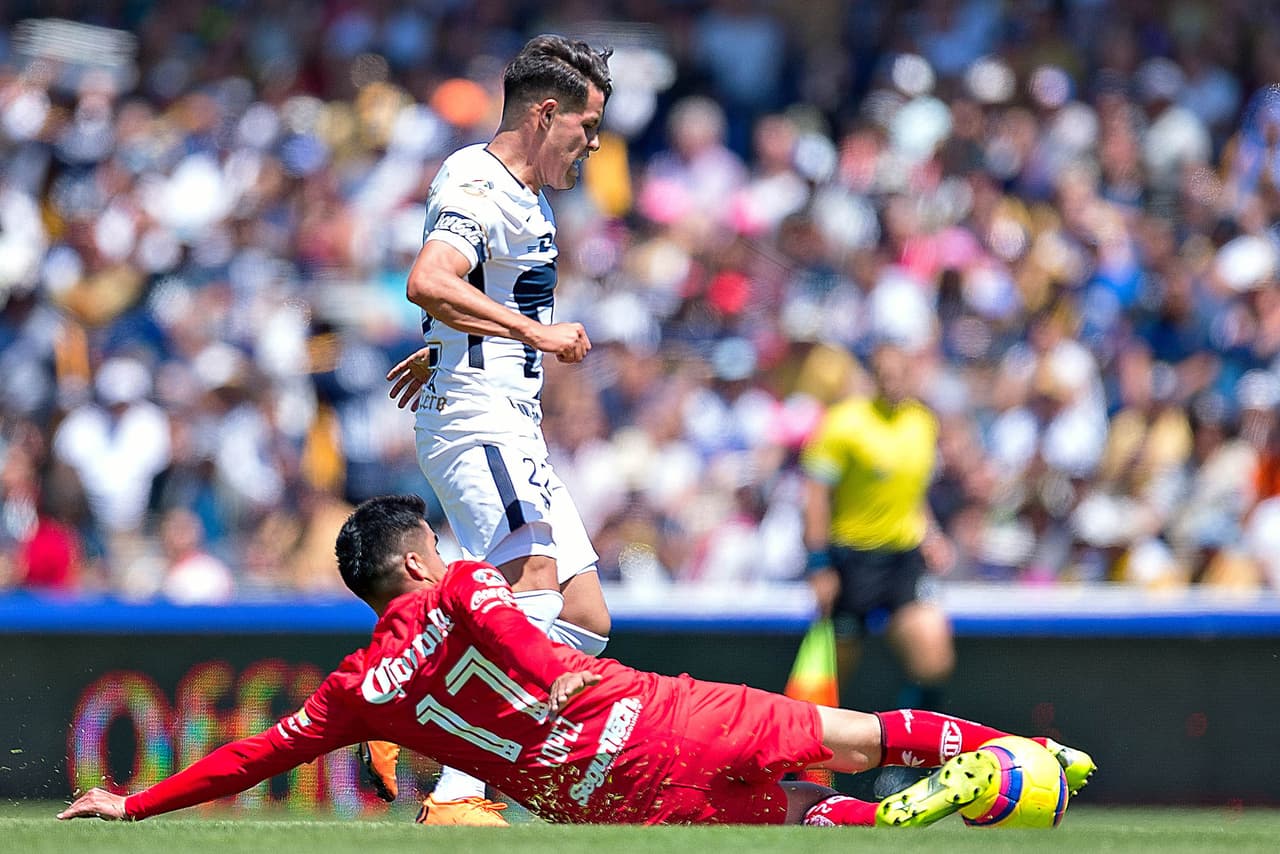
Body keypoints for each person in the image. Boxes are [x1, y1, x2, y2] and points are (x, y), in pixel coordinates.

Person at [59, 495, 1095, 828]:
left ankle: (859, 826)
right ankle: (1019, 754)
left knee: (785, 832)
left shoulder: (353, 690)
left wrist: (134, 802)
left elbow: (250, 754)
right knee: (854, 736)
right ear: (416, 556)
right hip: (647, 714)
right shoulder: (462, 583)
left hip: (602, 800)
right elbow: (507, 628)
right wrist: (553, 673)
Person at [373, 34, 615, 824]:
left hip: (506, 419)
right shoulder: (477, 180)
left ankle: (415, 699)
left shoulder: (529, 193)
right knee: (530, 583)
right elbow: (430, 277)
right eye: (587, 126)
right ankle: (456, 788)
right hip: (479, 418)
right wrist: (535, 334)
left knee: (582, 616)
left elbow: (455, 291)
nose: (593, 145)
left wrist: (443, 343)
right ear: (545, 114)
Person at [801, 340, 957, 710]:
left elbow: (910, 492)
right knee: (831, 675)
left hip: (902, 557)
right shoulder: (844, 423)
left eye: (899, 373)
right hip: (852, 560)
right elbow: (817, 495)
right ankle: (814, 764)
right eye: (883, 375)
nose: (892, 382)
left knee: (934, 656)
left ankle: (908, 757)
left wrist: (931, 534)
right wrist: (819, 563)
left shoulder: (922, 423)